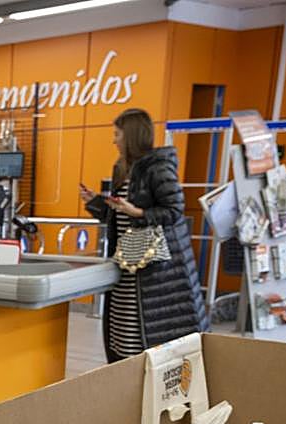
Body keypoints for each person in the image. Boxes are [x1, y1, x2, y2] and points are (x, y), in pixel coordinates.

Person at [82, 108, 209, 362]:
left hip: (153, 271)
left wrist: (138, 212)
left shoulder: (158, 168)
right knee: (122, 331)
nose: (114, 140)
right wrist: (95, 202)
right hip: (128, 262)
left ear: (131, 136)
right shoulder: (123, 168)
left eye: (117, 134)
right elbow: (119, 216)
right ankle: (125, 376)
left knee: (142, 333)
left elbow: (174, 211)